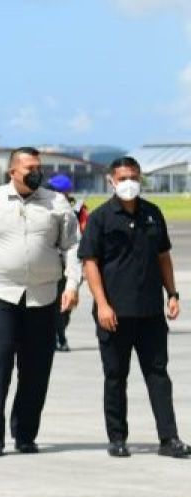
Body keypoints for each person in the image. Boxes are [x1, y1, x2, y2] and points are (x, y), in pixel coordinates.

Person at [0, 147, 80, 457]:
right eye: (29, 167)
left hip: (43, 297)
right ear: (12, 171)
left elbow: (72, 247)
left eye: (38, 167)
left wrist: (72, 284)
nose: (35, 172)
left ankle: (26, 434)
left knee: (37, 369)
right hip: (0, 295)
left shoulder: (57, 203)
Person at [78, 157, 189, 459]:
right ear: (111, 181)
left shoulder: (153, 214)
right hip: (114, 313)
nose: (130, 183)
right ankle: (117, 438)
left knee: (158, 375)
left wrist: (173, 294)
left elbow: (163, 256)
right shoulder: (101, 218)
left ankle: (169, 438)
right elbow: (90, 263)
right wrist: (101, 304)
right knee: (116, 376)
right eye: (124, 177)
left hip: (150, 312)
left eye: (134, 177)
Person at [46, 173, 86, 353]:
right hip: (50, 263)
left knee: (64, 304)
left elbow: (85, 235)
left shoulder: (78, 210)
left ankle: (59, 334)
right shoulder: (46, 205)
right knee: (52, 304)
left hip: (68, 263)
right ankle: (56, 336)